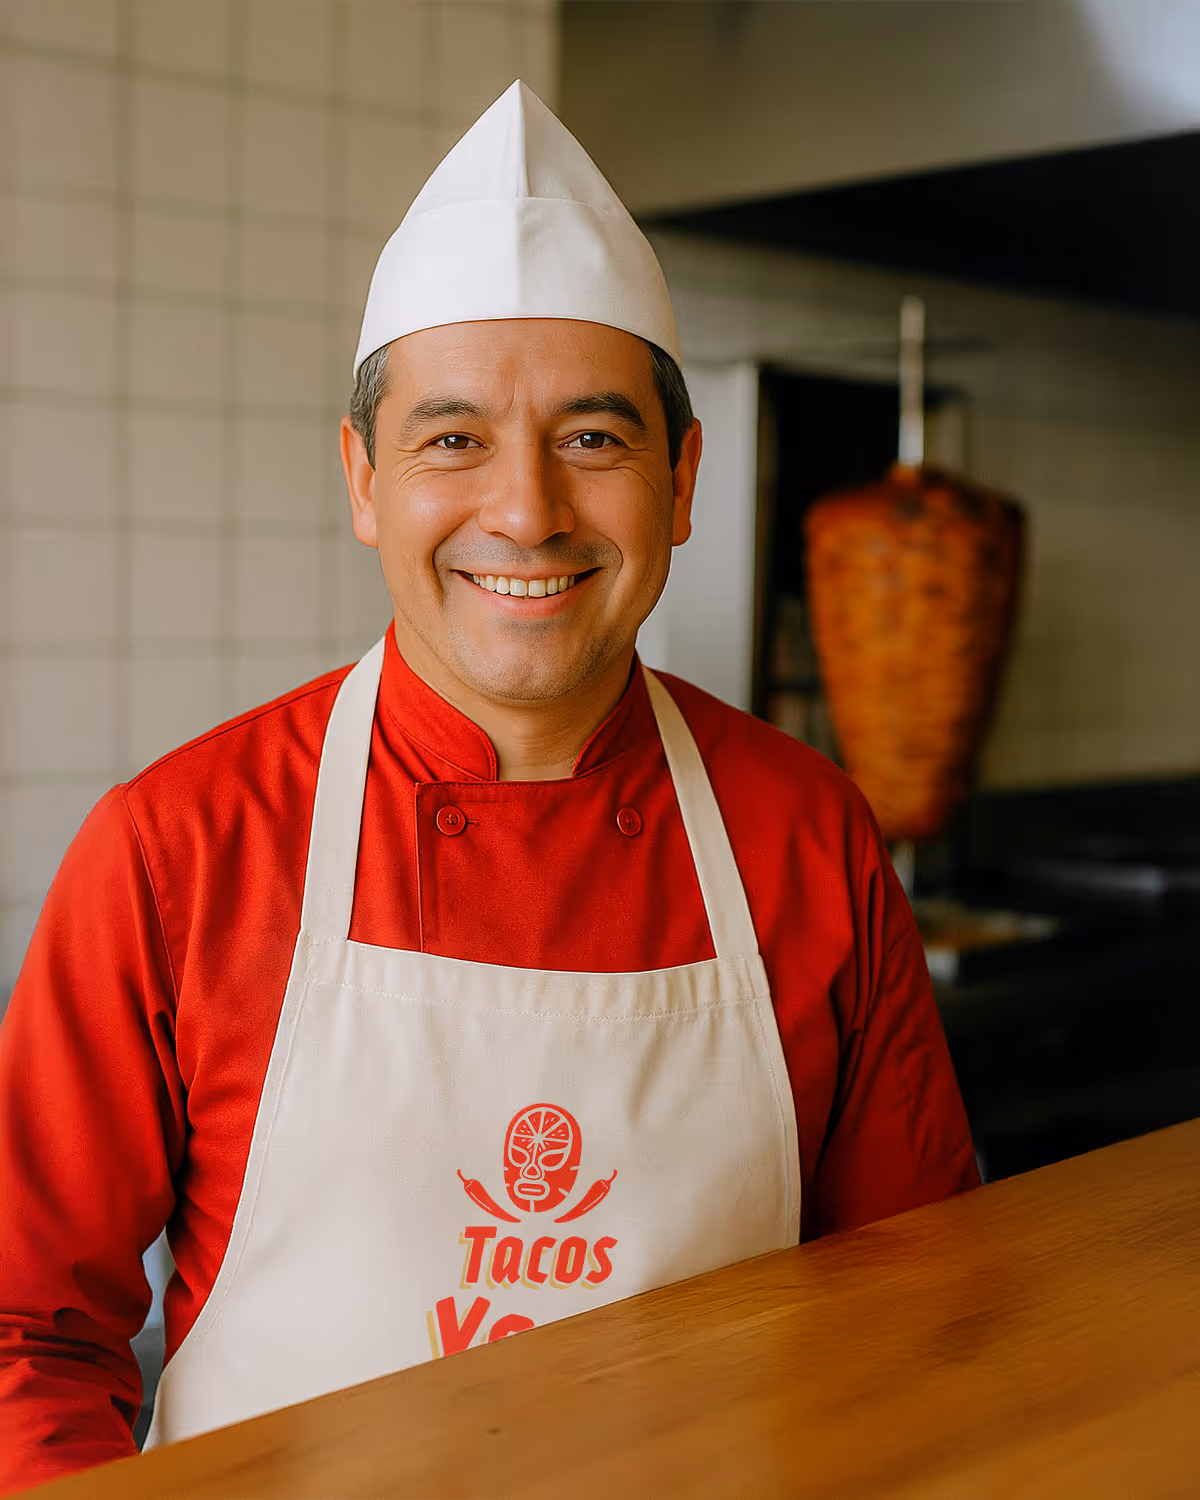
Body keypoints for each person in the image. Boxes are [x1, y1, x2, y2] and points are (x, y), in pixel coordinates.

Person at [0, 82, 978, 1490]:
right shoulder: (176, 849)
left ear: (684, 479)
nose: (526, 511)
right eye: (453, 440)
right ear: (362, 478)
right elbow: (27, 1331)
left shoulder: (804, 834)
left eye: (594, 439)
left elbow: (920, 1312)